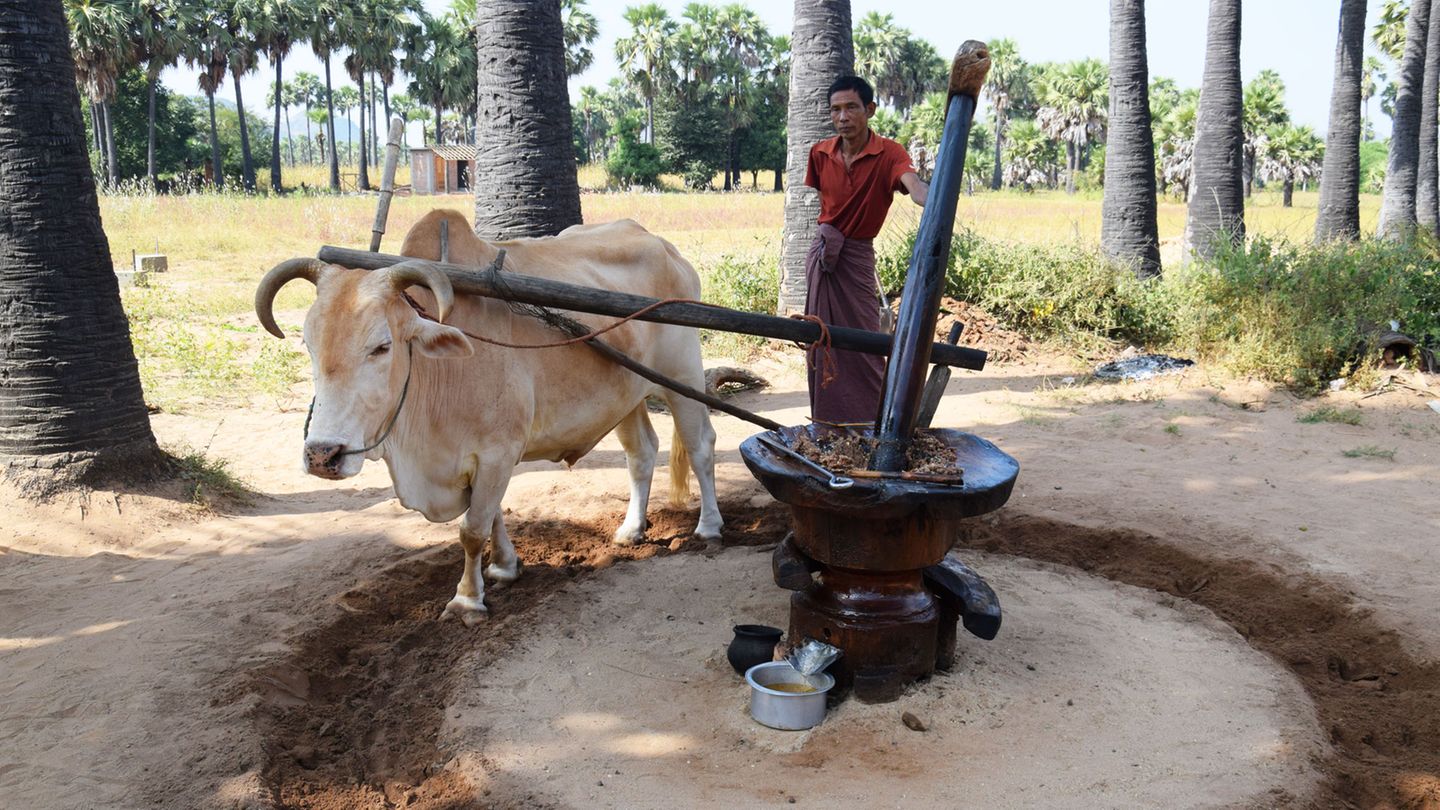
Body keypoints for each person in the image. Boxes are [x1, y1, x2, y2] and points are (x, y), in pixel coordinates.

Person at [803, 75, 929, 424]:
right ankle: (827, 425)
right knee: (821, 339)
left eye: (851, 108)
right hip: (825, 258)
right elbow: (828, 208)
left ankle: (871, 422)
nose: (843, 117)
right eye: (835, 110)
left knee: (864, 343)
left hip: (857, 259)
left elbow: (916, 189)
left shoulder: (889, 153)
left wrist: (938, 197)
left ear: (869, 110)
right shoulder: (819, 153)